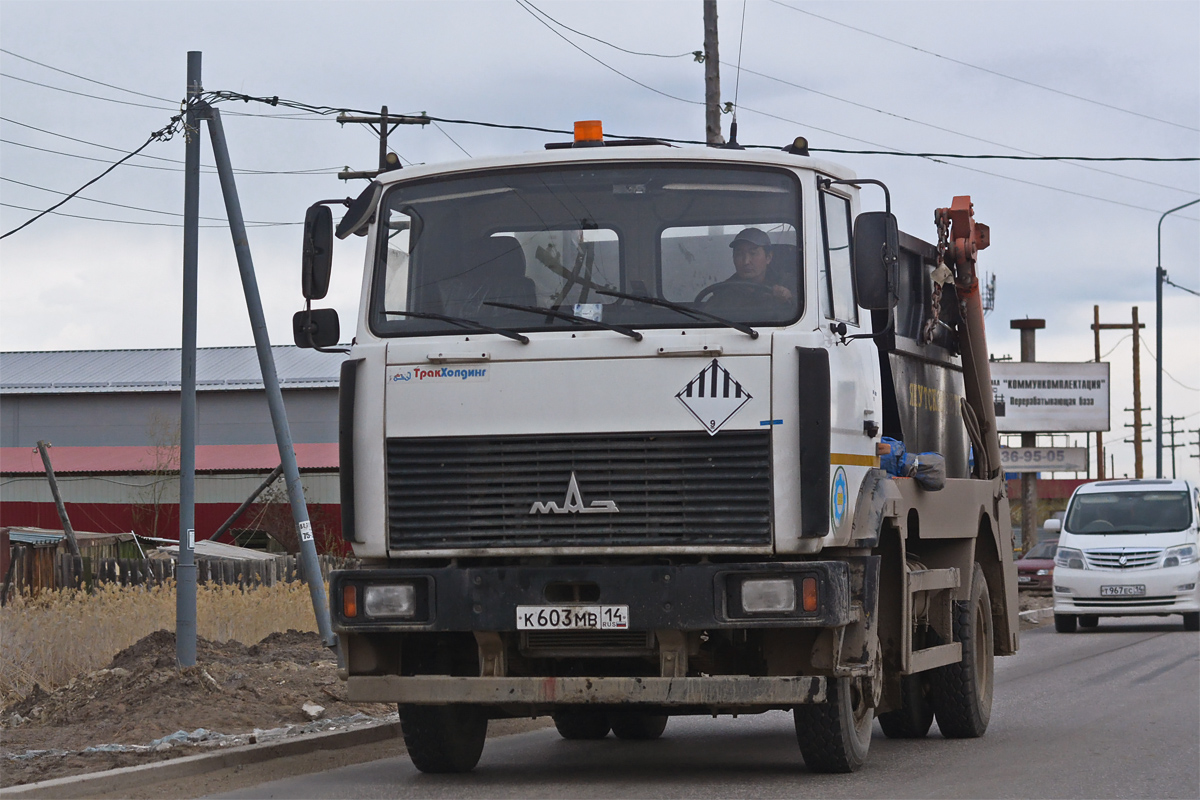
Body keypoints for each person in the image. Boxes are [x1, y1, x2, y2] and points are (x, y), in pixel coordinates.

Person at [724, 227, 793, 302]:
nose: (746, 261)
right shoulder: (724, 291)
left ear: (768, 258)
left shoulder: (786, 283)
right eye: (740, 254)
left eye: (753, 253)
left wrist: (788, 299)